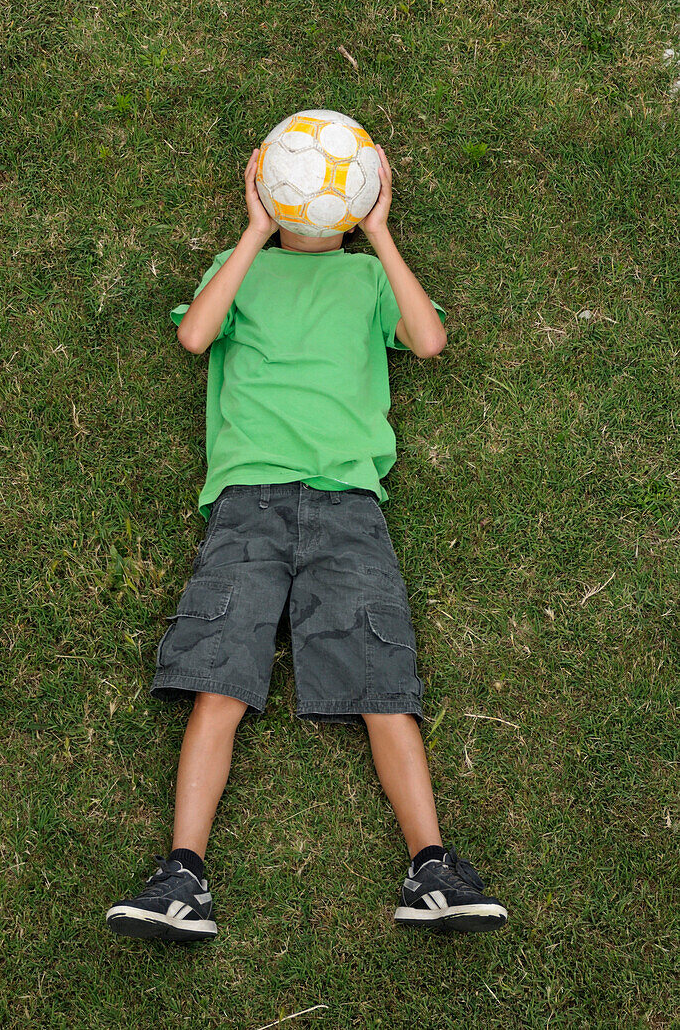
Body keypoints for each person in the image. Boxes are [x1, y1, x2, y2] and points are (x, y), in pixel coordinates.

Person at [106, 141, 508, 942]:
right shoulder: (240, 264)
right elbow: (196, 338)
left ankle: (430, 868)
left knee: (383, 685)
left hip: (348, 506)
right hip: (247, 503)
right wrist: (252, 234)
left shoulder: (366, 277)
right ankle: (182, 876)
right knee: (219, 679)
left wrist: (383, 233)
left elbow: (427, 340)